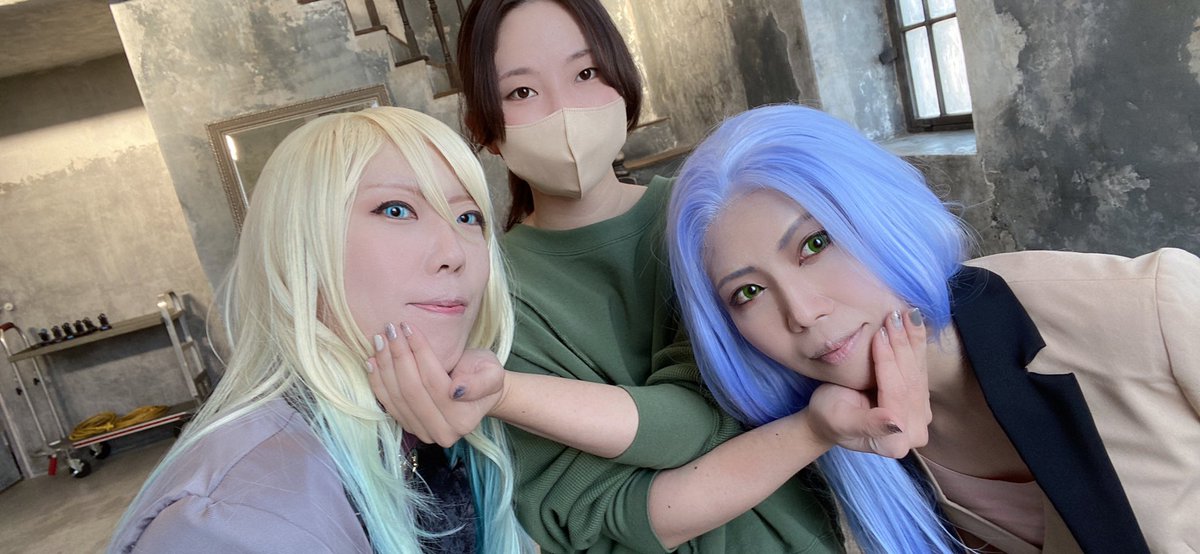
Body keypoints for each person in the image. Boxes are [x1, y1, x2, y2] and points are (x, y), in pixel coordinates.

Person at [393, 1, 941, 552]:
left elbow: (702, 416)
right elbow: (583, 513)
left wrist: (508, 393)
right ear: (483, 128)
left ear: (624, 81)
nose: (563, 111)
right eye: (521, 92)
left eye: (586, 73)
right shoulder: (488, 290)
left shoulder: (717, 219)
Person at [667, 104, 1200, 553]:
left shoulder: (1151, 306)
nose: (802, 312)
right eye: (748, 293)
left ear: (881, 214)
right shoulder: (842, 439)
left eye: (815, 244)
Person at [108, 107, 531, 553]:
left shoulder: (450, 427)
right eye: (397, 209)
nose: (454, 253)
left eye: (468, 218)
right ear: (302, 243)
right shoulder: (236, 520)